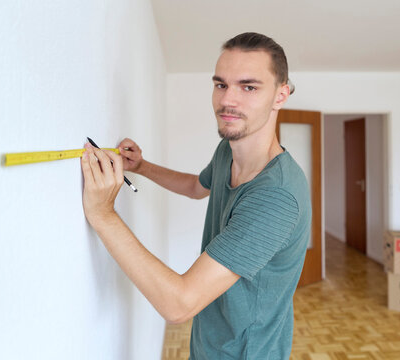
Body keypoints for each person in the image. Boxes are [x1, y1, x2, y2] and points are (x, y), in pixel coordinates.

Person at [80, 32, 311, 359]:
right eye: (221, 85)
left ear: (281, 94)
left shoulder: (275, 197)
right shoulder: (227, 150)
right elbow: (195, 187)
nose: (228, 100)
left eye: (249, 87)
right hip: (212, 340)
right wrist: (142, 166)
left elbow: (179, 304)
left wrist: (103, 215)